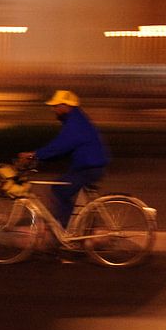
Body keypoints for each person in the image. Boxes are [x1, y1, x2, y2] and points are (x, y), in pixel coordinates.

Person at [18, 89, 108, 230]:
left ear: (66, 106)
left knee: (59, 190)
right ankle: (80, 228)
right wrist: (42, 158)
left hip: (88, 168)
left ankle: (67, 230)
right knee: (64, 189)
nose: (54, 109)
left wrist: (34, 155)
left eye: (56, 105)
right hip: (89, 165)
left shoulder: (74, 124)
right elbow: (63, 148)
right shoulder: (76, 120)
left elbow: (61, 145)